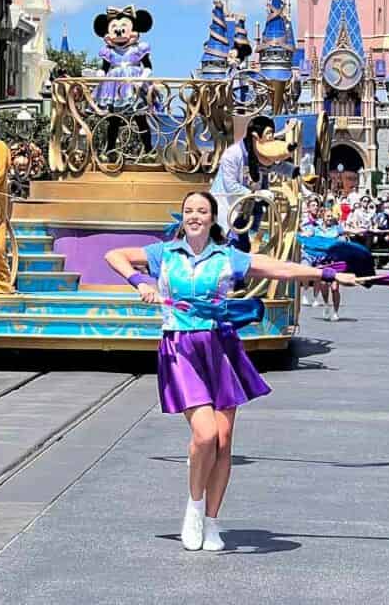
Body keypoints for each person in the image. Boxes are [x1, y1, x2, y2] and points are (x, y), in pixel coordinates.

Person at [105, 191, 357, 551]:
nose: (194, 216)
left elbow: (277, 267)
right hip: (181, 347)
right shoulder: (163, 253)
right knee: (205, 435)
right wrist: (139, 280)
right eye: (189, 211)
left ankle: (211, 522)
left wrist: (326, 274)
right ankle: (192, 510)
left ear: (212, 219)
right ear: (182, 217)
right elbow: (113, 255)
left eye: (202, 211)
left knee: (223, 442)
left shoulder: (227, 257)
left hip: (221, 347)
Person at [210, 116, 290, 233]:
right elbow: (230, 185)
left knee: (246, 243)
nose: (271, 137)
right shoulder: (232, 154)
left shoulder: (262, 153)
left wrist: (293, 171)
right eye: (268, 133)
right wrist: (256, 194)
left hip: (248, 209)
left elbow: (273, 168)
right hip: (227, 207)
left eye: (272, 132)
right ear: (255, 136)